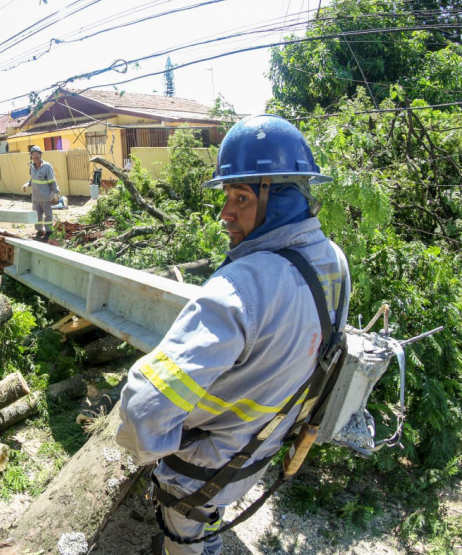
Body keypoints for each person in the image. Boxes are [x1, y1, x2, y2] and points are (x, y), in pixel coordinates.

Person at [115, 114, 351, 555]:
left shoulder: (240, 287)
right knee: (209, 524)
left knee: (185, 537)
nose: (225, 213)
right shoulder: (334, 261)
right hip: (257, 450)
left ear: (278, 197)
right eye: (226, 196)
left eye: (240, 197)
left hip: (200, 471)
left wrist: (151, 451)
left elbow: (145, 408)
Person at [21, 145, 60, 240]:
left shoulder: (47, 167)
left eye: (37, 156)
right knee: (37, 216)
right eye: (33, 157)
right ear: (31, 157)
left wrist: (55, 193)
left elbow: (52, 181)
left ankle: (48, 232)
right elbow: (32, 179)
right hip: (35, 198)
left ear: (41, 155)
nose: (35, 158)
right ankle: (39, 231)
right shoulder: (31, 167)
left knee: (48, 216)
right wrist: (27, 184)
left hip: (46, 198)